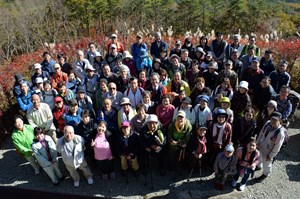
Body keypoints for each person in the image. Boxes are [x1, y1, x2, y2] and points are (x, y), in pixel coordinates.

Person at [256, 111, 286, 183]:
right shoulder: (267, 123)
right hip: (261, 144)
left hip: (268, 150)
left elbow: (277, 146)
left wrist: (271, 155)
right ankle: (259, 166)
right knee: (259, 156)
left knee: (267, 163)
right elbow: (261, 133)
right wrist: (257, 142)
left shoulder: (280, 133)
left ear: (280, 121)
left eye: (275, 120)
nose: (273, 121)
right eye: (272, 119)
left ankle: (266, 174)